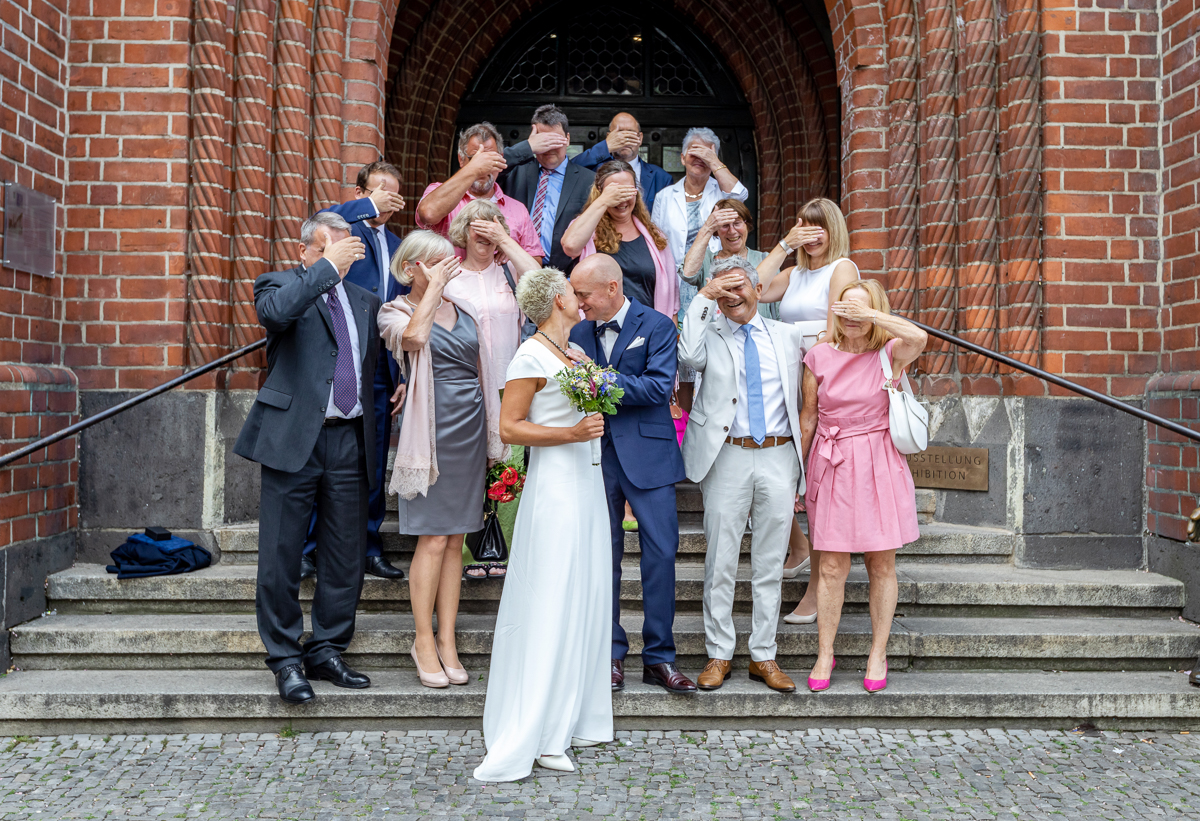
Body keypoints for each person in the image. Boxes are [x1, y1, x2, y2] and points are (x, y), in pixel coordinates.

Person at [233, 211, 378, 705]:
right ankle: (285, 659)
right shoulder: (278, 284)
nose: (342, 259)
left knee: (344, 555)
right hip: (294, 436)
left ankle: (328, 649)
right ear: (305, 252)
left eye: (347, 251)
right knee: (281, 553)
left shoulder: (364, 301)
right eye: (330, 248)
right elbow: (275, 316)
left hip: (348, 438)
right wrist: (326, 270)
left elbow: (366, 366)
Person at [474, 267, 613, 781]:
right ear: (557, 298)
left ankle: (573, 714)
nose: (581, 299)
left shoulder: (572, 354)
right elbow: (509, 426)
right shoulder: (529, 355)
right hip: (555, 487)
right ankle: (542, 728)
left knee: (583, 592)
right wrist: (571, 433)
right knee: (553, 596)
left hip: (587, 481)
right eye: (573, 293)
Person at [378, 230, 507, 689]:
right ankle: (422, 640)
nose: (449, 269)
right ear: (413, 267)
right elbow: (412, 342)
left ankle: (448, 639)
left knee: (456, 540)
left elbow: (483, 369)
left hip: (470, 427)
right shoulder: (395, 310)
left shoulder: (467, 311)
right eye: (437, 263)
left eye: (447, 262)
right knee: (431, 540)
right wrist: (431, 290)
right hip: (429, 429)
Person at [567, 254, 695, 694]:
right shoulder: (576, 331)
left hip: (650, 457)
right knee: (605, 560)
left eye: (584, 294)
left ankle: (660, 657)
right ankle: (610, 653)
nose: (578, 303)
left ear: (613, 289)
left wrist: (596, 379)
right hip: (594, 456)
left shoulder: (657, 325)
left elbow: (660, 388)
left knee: (661, 556)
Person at [678, 256, 806, 694]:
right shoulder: (708, 334)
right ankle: (719, 653)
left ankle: (764, 655)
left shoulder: (787, 336)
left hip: (778, 454)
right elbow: (688, 357)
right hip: (727, 455)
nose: (733, 296)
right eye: (723, 290)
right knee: (721, 561)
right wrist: (702, 296)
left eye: (740, 287)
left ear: (757, 287)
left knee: (770, 562)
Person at [801, 278, 926, 693]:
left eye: (860, 310)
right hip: (831, 460)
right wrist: (798, 477)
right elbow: (808, 418)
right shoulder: (818, 355)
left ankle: (878, 652)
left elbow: (920, 337)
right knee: (833, 566)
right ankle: (825, 652)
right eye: (845, 309)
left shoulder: (889, 354)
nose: (851, 317)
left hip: (878, 461)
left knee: (880, 564)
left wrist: (872, 315)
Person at [302, 161, 409, 582]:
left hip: (380, 367)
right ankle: (309, 549)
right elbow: (322, 220)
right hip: (338, 361)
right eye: (377, 189)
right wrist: (365, 206)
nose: (386, 199)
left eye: (393, 193)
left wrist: (400, 374)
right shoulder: (345, 231)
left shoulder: (398, 244)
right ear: (361, 190)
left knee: (373, 462)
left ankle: (369, 545)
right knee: (321, 462)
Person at [757, 197, 860, 623]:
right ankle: (799, 547)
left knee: (817, 484)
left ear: (833, 230)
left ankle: (819, 588)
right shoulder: (794, 271)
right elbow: (754, 288)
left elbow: (839, 327)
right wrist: (784, 244)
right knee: (773, 468)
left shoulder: (842, 269)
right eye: (804, 225)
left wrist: (814, 360)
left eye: (819, 227)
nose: (811, 234)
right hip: (786, 375)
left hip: (822, 376)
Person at [676, 198, 775, 413]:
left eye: (737, 222)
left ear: (747, 225)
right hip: (716, 351)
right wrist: (707, 226)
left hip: (757, 345)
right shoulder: (707, 261)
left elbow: (775, 309)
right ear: (716, 231)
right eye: (724, 225)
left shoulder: (764, 259)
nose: (732, 231)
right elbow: (687, 273)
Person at [561, 160, 679, 322]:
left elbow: (671, 303)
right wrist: (603, 200)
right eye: (615, 192)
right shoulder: (588, 230)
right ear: (600, 192)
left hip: (647, 330)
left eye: (628, 191)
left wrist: (668, 338)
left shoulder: (654, 236)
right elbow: (570, 246)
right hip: (599, 329)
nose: (622, 199)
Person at [445, 198, 543, 388]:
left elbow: (540, 282)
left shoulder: (511, 271)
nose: (486, 234)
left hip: (510, 380)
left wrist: (503, 240)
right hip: (467, 383)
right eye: (479, 227)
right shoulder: (449, 277)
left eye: (492, 228)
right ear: (464, 231)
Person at [414, 122, 545, 262]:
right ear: (461, 160)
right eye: (475, 158)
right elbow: (428, 214)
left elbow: (535, 263)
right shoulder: (438, 190)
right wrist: (474, 169)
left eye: (490, 158)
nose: (483, 167)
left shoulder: (518, 209)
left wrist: (512, 251)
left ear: (501, 159)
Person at [497, 105, 595, 273]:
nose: (549, 147)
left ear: (568, 139)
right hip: (514, 268)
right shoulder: (515, 171)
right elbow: (484, 169)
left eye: (555, 140)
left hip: (567, 273)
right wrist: (527, 147)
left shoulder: (589, 180)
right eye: (543, 140)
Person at [650, 127, 749, 274]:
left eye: (706, 153)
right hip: (675, 277)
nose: (700, 158)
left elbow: (739, 196)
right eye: (694, 151)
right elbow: (655, 242)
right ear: (683, 158)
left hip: (716, 274)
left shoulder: (722, 192)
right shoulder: (664, 196)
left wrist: (713, 162)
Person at [569, 112, 674, 213]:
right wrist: (605, 147)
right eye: (619, 133)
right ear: (608, 137)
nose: (625, 139)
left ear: (640, 138)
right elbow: (570, 171)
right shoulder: (593, 170)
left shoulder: (661, 178)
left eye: (630, 133)